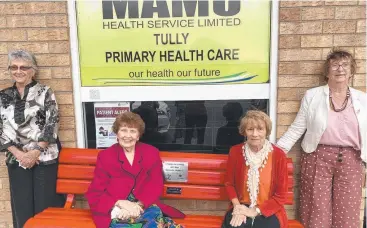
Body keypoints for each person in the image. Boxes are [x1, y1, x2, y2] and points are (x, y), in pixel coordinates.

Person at [277, 48, 367, 228]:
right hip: (318, 156)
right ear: (327, 71)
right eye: (335, 65)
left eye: (345, 65)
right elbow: (297, 128)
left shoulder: (362, 99)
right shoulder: (313, 96)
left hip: (352, 158)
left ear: (351, 70)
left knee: (347, 212)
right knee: (316, 211)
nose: (340, 69)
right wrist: (274, 152)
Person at [85, 112, 185, 228]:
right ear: (117, 133)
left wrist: (138, 206)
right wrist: (120, 203)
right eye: (123, 130)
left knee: (152, 219)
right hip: (116, 208)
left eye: (132, 131)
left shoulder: (151, 153)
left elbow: (155, 184)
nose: (127, 135)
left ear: (138, 136)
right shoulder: (106, 156)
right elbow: (95, 191)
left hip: (144, 205)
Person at [0, 50, 65, 228]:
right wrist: (19, 154)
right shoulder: (3, 95)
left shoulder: (45, 92)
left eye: (24, 67)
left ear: (33, 70)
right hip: (16, 158)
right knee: (22, 207)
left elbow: (52, 123)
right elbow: (1, 129)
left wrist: (35, 152)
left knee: (45, 208)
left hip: (44, 157)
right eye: (14, 67)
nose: (18, 71)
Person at [222, 110, 288, 228]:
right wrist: (238, 207)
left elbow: (281, 195)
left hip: (268, 209)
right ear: (244, 131)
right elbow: (229, 183)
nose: (255, 134)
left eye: (260, 129)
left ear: (266, 131)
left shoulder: (278, 155)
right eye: (250, 129)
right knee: (235, 226)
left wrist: (254, 211)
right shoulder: (236, 152)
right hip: (242, 206)